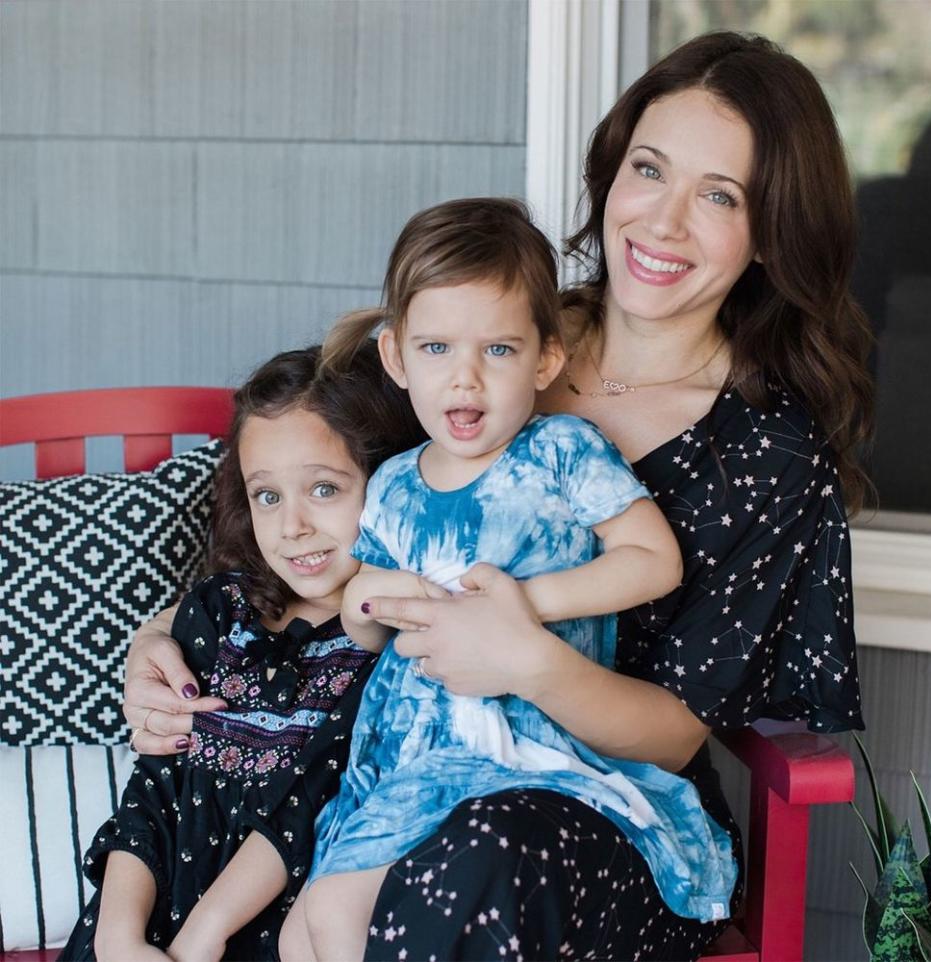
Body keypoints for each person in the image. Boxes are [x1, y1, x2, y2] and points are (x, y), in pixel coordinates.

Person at [122, 31, 872, 962]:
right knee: (287, 843)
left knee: (472, 859)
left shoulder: (766, 451)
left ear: (770, 235)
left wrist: (524, 654)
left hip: (595, 815)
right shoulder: (477, 335)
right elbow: (294, 503)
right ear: (611, 175)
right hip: (393, 757)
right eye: (650, 169)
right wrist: (158, 636)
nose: (665, 222)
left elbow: (674, 737)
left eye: (719, 196)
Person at [275, 198, 735, 961]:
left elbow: (655, 560)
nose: (465, 379)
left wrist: (529, 603)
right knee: (304, 930)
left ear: (545, 360)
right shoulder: (392, 483)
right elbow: (367, 618)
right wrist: (362, 603)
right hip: (411, 755)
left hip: (520, 749)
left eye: (497, 351)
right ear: (395, 358)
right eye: (435, 349)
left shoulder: (561, 451)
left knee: (341, 914)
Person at [60, 342, 425, 962]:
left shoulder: (387, 646)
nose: (292, 526)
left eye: (324, 489)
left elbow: (310, 804)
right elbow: (157, 780)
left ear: (388, 480)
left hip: (263, 934)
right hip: (148, 914)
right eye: (269, 496)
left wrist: (202, 939)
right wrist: (118, 937)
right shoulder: (219, 612)